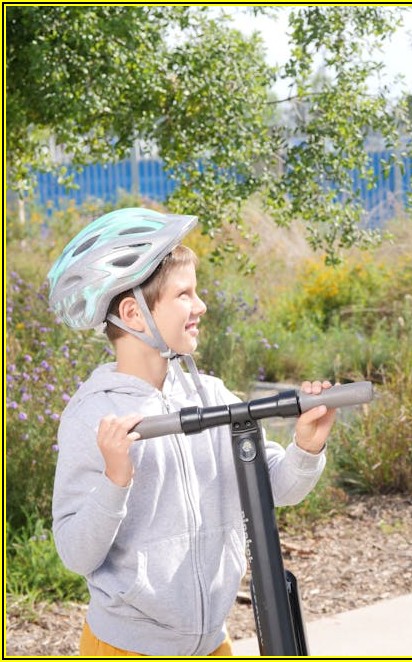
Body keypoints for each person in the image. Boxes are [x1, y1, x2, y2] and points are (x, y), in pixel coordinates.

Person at [47, 207, 338, 656]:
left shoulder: (211, 395)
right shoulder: (95, 415)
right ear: (134, 313)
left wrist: (306, 445)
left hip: (211, 643)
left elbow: (276, 487)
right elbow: (75, 553)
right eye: (184, 294)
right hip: (127, 648)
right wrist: (115, 480)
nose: (200, 305)